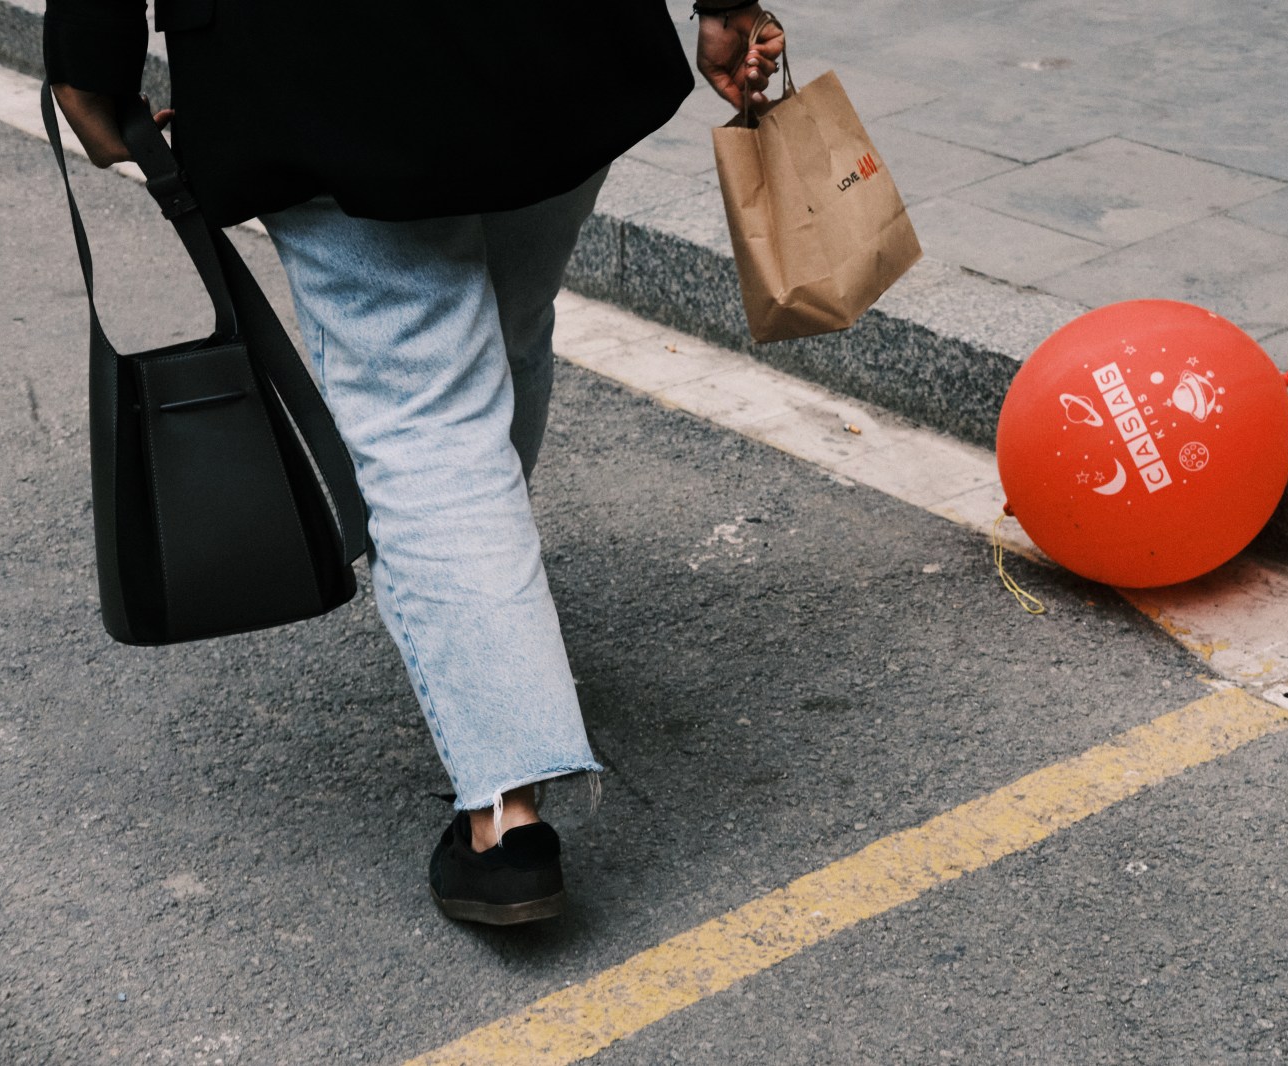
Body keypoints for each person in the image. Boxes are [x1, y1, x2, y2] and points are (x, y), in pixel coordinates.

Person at [43, 0, 784, 925]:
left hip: (324, 53)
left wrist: (88, 52)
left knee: (424, 409)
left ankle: (506, 819)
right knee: (507, 336)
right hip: (554, 38)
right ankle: (489, 639)